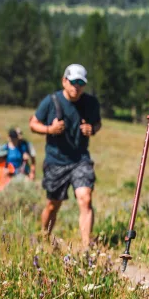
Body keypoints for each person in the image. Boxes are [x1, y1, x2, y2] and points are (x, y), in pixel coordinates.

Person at [29, 63, 102, 248]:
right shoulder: (51, 101)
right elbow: (33, 123)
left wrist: (92, 129)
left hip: (80, 159)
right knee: (53, 204)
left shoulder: (91, 103)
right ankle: (44, 237)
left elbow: (98, 123)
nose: (76, 86)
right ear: (64, 81)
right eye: (72, 81)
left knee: (85, 198)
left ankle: (87, 247)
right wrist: (49, 129)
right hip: (56, 161)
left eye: (80, 82)